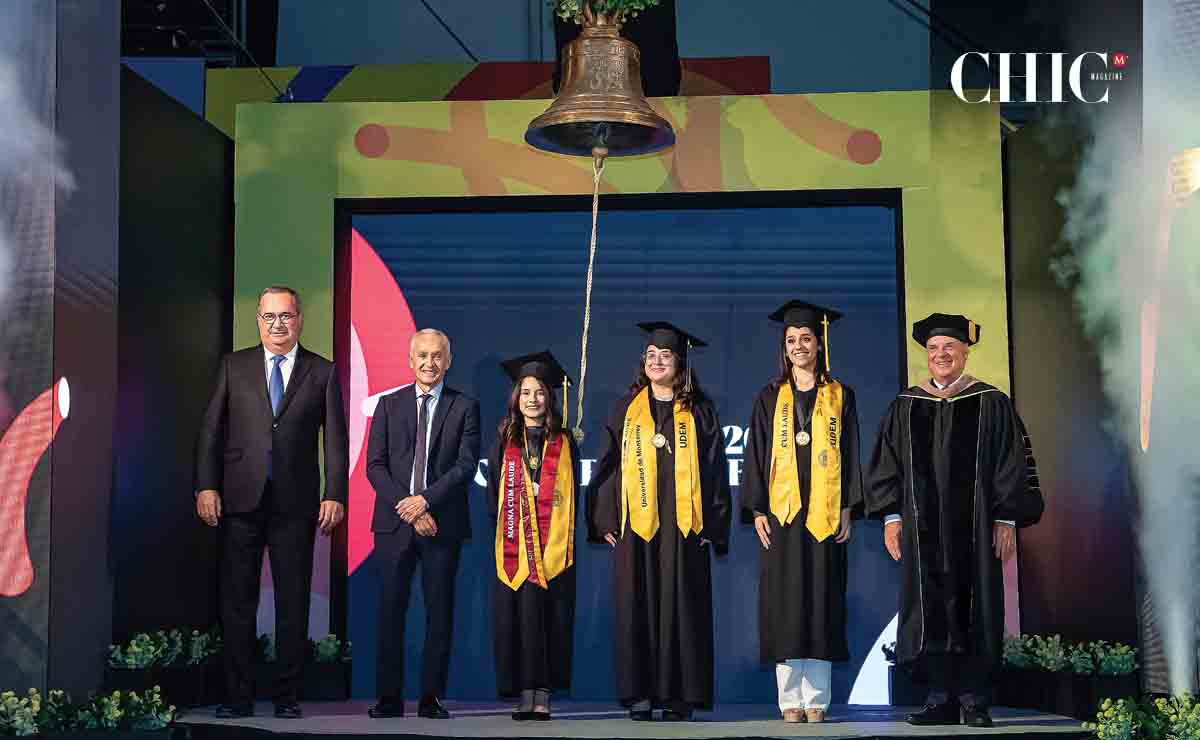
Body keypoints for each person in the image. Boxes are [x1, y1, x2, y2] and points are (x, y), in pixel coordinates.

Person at [867, 313, 1044, 728]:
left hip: (977, 532)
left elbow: (1011, 464)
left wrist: (1006, 518)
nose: (940, 355)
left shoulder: (990, 402)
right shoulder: (907, 406)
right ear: (925, 356)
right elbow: (885, 466)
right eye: (933, 349)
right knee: (928, 609)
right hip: (922, 530)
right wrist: (892, 517)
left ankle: (974, 699)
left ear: (965, 352)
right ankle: (938, 697)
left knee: (975, 605)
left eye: (949, 347)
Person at [194, 285, 348, 719]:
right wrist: (206, 485)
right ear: (258, 319)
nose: (277, 324)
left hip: (295, 505)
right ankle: (238, 697)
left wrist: (334, 492)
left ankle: (287, 696)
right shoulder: (234, 365)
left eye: (286, 316)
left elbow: (335, 439)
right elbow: (210, 430)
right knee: (237, 602)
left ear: (300, 319)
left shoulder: (323, 371)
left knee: (293, 602)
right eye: (269, 317)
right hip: (239, 501)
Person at [588, 322, 732, 722]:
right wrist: (605, 519)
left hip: (684, 528)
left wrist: (714, 526)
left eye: (664, 356)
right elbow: (608, 466)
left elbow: (715, 470)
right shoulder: (626, 408)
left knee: (682, 607)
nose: (656, 362)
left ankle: (679, 697)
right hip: (638, 526)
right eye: (650, 356)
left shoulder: (700, 411)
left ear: (680, 364)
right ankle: (640, 694)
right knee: (637, 604)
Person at [741, 300, 864, 723]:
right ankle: (789, 698)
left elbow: (851, 452)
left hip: (825, 514)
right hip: (783, 513)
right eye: (791, 340)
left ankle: (818, 699)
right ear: (785, 346)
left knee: (822, 600)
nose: (799, 345)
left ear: (819, 344)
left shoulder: (841, 395)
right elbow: (755, 454)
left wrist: (849, 504)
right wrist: (757, 508)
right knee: (786, 603)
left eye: (806, 338)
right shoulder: (769, 397)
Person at [365, 329, 481, 720]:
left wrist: (426, 501)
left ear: (448, 361)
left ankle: (431, 697)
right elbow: (375, 466)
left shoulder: (465, 406)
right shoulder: (388, 405)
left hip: (441, 523)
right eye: (422, 356)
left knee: (439, 612)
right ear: (410, 360)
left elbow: (465, 465)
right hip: (395, 524)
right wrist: (409, 506)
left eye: (437, 356)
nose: (429, 363)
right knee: (390, 611)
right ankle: (388, 697)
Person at [486, 352, 580, 721]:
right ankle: (525, 692)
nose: (533, 399)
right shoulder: (505, 439)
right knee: (520, 620)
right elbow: (493, 489)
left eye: (539, 392)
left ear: (549, 398)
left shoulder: (566, 440)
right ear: (516, 398)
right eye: (525, 392)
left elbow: (575, 495)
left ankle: (544, 693)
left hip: (555, 549)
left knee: (550, 619)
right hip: (517, 548)